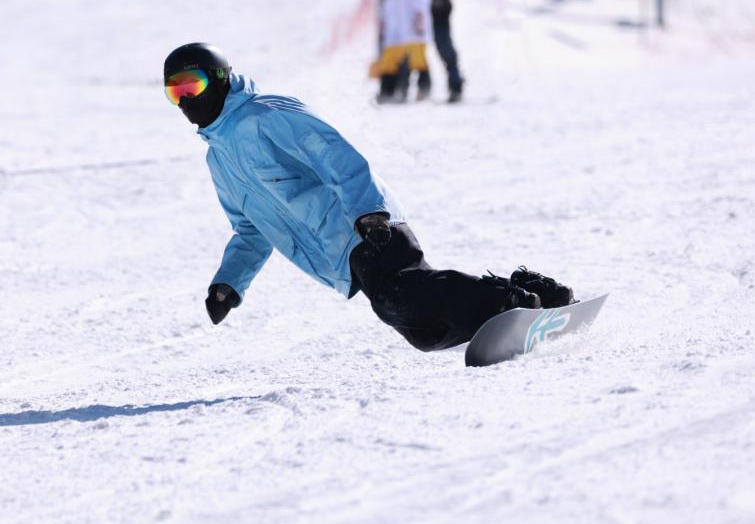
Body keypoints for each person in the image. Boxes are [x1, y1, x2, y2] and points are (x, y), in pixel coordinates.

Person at [164, 42, 574, 352]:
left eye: (192, 85)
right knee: (425, 333)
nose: (185, 99)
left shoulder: (265, 114)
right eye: (174, 92)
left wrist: (369, 211)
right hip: (342, 254)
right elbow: (250, 230)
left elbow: (333, 154)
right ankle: (532, 293)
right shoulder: (218, 161)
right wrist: (229, 284)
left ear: (219, 79)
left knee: (398, 297)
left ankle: (507, 303)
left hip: (364, 226)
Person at [423, 0, 465, 103]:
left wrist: (436, 3)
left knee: (445, 49)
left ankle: (455, 84)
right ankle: (420, 86)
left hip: (439, 19)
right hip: (421, 20)